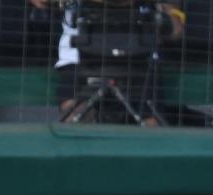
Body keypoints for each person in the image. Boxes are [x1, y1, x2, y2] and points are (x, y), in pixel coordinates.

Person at [27, 0, 185, 124]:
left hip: (140, 59)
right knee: (75, 114)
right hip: (79, 58)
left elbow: (176, 29)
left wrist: (166, 19)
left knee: (150, 120)